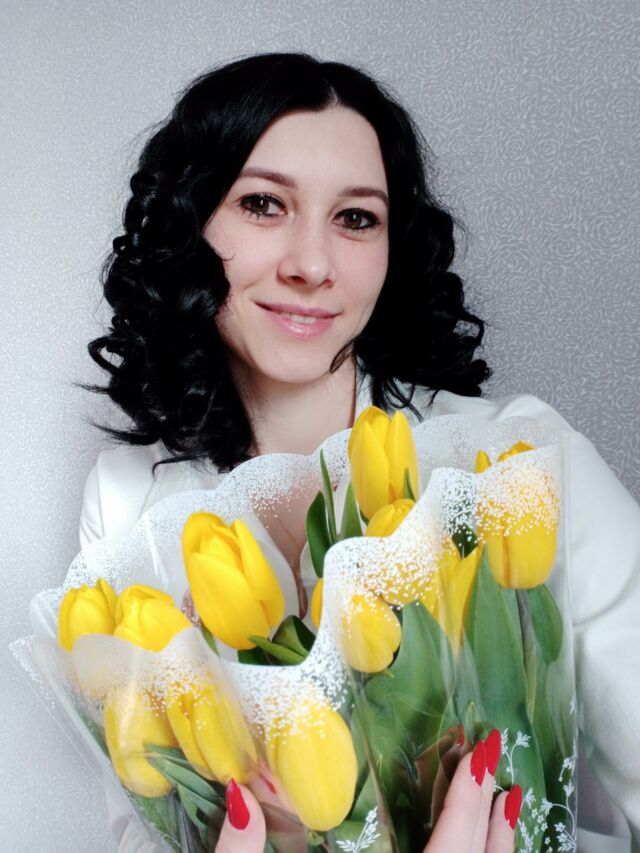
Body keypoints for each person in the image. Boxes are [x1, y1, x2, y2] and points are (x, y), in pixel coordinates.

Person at [79, 53, 640, 852]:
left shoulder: (518, 462)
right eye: (264, 204)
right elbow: (145, 825)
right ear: (190, 223)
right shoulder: (125, 501)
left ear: (391, 246)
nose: (311, 265)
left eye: (355, 218)